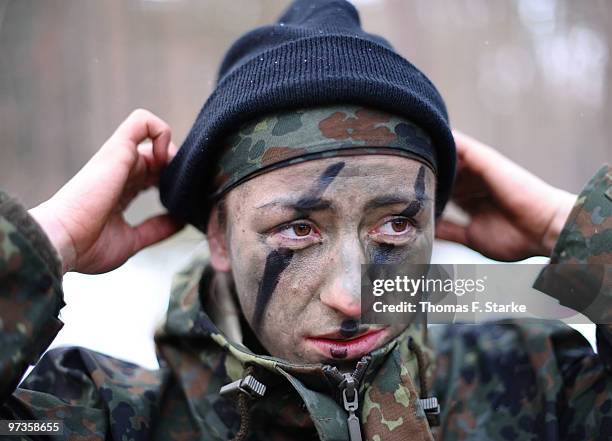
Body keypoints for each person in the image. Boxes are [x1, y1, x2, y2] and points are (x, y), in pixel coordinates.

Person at [1, 1, 610, 440]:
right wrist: (45, 242)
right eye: (298, 229)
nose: (354, 296)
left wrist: (570, 227)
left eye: (396, 224)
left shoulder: (538, 389)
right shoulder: (101, 416)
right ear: (217, 235)